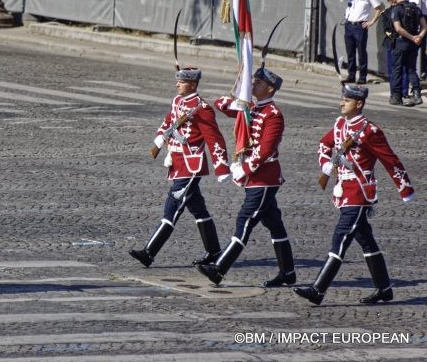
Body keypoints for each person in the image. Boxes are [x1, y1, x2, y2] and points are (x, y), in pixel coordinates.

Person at [294, 85, 415, 306]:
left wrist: (404, 188)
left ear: (358, 104)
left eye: (346, 100)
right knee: (366, 242)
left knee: (340, 236)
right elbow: (324, 143)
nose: (341, 103)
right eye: (342, 99)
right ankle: (385, 289)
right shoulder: (340, 124)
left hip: (359, 192)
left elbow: (391, 160)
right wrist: (325, 166)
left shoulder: (369, 131)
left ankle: (318, 289)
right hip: (343, 189)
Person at [197, 68, 296, 288]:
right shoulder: (250, 108)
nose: (254, 84)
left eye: (258, 83)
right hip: (254, 178)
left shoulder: (273, 114)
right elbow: (221, 104)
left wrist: (246, 167)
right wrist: (239, 89)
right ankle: (288, 272)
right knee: (275, 225)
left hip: (264, 178)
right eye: (253, 81)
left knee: (245, 220)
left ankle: (219, 269)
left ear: (270, 89)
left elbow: (266, 149)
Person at [129, 68, 231, 269]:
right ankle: (214, 251)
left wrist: (221, 166)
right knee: (198, 209)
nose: (177, 84)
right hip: (176, 162)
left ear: (193, 85)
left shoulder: (202, 108)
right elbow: (169, 120)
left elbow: (214, 138)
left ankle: (149, 252)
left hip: (191, 167)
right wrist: (161, 135)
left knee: (172, 207)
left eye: (182, 81)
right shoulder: (178, 101)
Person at [336, 0, 384, 84]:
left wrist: (371, 21)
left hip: (360, 26)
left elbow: (378, 8)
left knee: (362, 52)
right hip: (349, 25)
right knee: (350, 52)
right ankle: (351, 75)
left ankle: (362, 76)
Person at [388, 0, 426, 107]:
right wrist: (418, 37)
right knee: (411, 69)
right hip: (414, 44)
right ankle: (417, 95)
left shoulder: (396, 9)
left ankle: (396, 97)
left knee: (397, 70)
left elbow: (398, 28)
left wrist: (411, 37)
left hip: (401, 43)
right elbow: (425, 26)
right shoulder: (416, 8)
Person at [380, 0, 408, 104]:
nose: (391, 0)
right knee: (392, 69)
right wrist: (394, 36)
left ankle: (404, 92)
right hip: (392, 42)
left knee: (404, 68)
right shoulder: (386, 12)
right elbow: (386, 29)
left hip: (404, 42)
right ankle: (394, 92)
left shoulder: (404, 9)